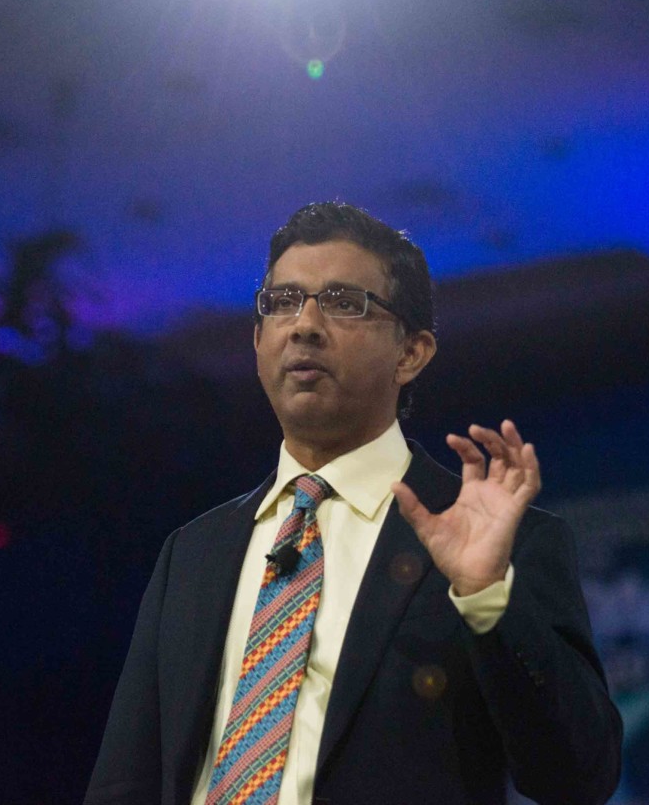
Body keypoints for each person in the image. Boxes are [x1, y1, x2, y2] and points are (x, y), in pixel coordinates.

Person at [85, 202, 622, 805]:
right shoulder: (192, 552)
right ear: (258, 338)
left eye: (344, 303)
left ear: (412, 353)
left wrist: (487, 599)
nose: (304, 324)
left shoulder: (499, 540)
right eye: (283, 302)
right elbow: (124, 780)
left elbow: (578, 776)